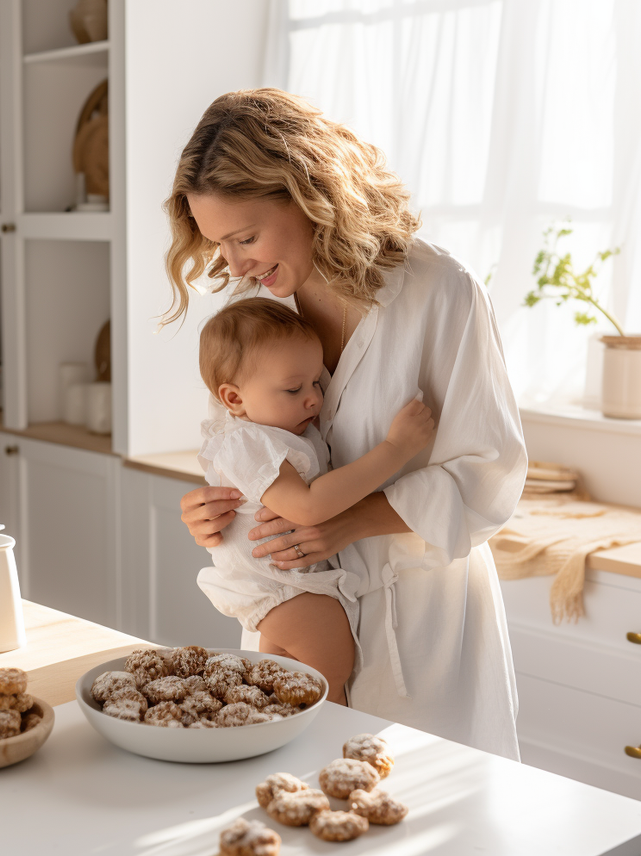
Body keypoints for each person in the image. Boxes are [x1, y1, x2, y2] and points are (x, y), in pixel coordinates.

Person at [163, 88, 528, 760]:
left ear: (308, 193)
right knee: (289, 809)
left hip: (420, 632)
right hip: (292, 613)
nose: (236, 264)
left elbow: (491, 480)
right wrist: (213, 507)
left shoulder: (438, 291)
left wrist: (349, 521)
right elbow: (240, 440)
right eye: (220, 244)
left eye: (246, 236)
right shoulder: (263, 300)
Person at [196, 297, 434, 705]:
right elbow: (307, 507)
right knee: (329, 686)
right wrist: (396, 448)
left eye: (316, 384)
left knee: (277, 699)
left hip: (285, 587)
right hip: (287, 588)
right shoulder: (248, 441)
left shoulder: (275, 433)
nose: (312, 399)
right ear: (234, 399)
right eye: (294, 388)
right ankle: (334, 756)